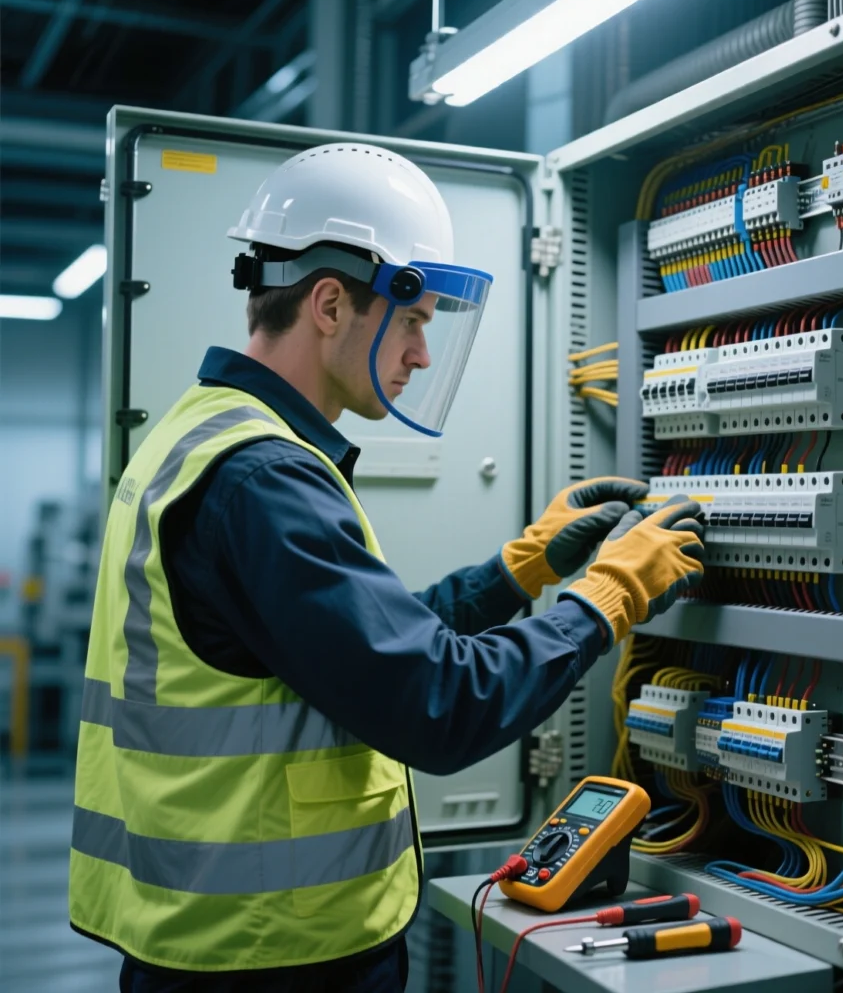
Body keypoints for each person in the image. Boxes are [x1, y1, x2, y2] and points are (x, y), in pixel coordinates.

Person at [68, 143, 706, 993]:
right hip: (273, 954)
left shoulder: (205, 435)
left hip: (216, 938)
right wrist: (610, 594)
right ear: (330, 303)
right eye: (412, 319)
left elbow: (344, 650)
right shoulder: (265, 478)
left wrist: (515, 573)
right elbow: (437, 704)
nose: (421, 356)